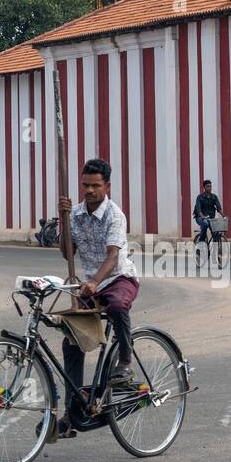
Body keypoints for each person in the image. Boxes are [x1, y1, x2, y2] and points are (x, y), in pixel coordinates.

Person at [57, 158, 141, 417]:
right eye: (85, 185)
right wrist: (63, 219)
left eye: (95, 185)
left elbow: (113, 256)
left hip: (118, 279)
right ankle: (74, 408)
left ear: (107, 186)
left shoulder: (115, 215)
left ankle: (125, 360)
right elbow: (66, 252)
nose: (89, 190)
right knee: (71, 339)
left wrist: (94, 281)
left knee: (116, 306)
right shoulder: (76, 214)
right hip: (90, 286)